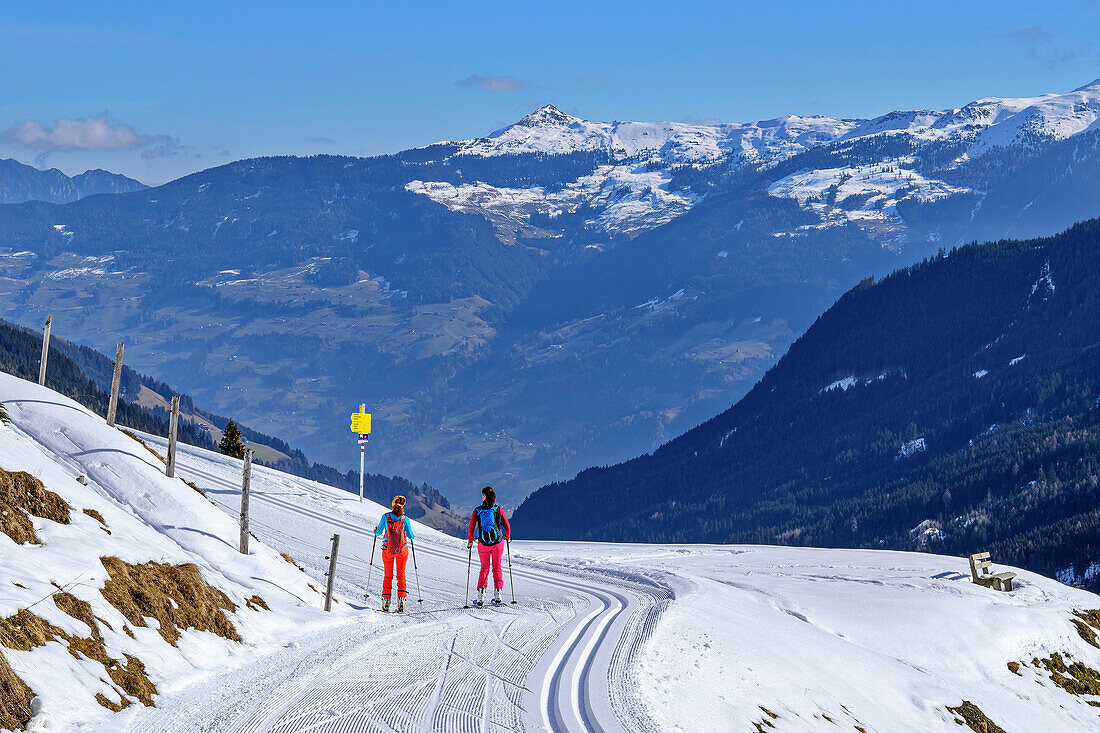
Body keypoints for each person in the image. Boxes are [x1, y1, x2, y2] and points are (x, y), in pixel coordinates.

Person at [467, 485, 511, 606]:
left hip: (483, 544)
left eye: (482, 495)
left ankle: (481, 598)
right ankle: (498, 596)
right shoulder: (498, 509)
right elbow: (506, 525)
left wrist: (470, 540)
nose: (481, 497)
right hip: (498, 543)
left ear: (485, 496)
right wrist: (507, 537)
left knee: (484, 568)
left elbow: (471, 526)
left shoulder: (477, 510)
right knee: (497, 568)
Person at [375, 495, 414, 612]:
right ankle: (401, 601)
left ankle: (386, 602)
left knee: (388, 576)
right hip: (402, 550)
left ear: (393, 505)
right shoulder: (404, 518)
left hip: (388, 550)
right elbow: (411, 535)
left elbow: (377, 533)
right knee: (401, 575)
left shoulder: (386, 516)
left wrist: (375, 530)